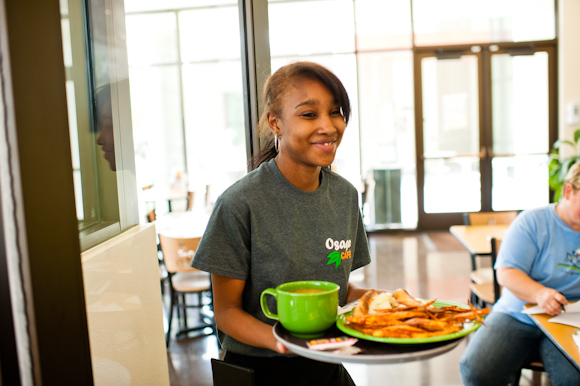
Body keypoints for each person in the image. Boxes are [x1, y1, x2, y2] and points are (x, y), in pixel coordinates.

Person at [191, 61, 372, 385]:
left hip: (325, 367)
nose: (328, 126)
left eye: (335, 112)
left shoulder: (345, 196)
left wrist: (382, 301)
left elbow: (337, 293)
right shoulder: (239, 204)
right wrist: (284, 343)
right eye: (308, 114)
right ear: (275, 122)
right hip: (259, 372)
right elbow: (227, 312)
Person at [459, 162, 580, 385]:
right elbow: (505, 273)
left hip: (572, 321)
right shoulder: (532, 222)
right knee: (476, 371)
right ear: (568, 191)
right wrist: (540, 294)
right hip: (518, 313)